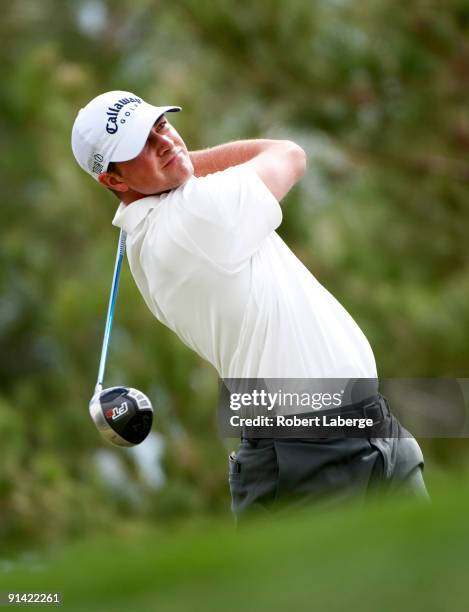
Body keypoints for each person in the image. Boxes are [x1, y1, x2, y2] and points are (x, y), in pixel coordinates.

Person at [71, 90, 428, 519]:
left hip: (370, 430)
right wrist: (184, 160)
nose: (163, 141)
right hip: (308, 459)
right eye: (140, 146)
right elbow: (289, 154)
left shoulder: (165, 222)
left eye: (160, 126)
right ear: (113, 181)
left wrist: (170, 162)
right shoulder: (192, 217)